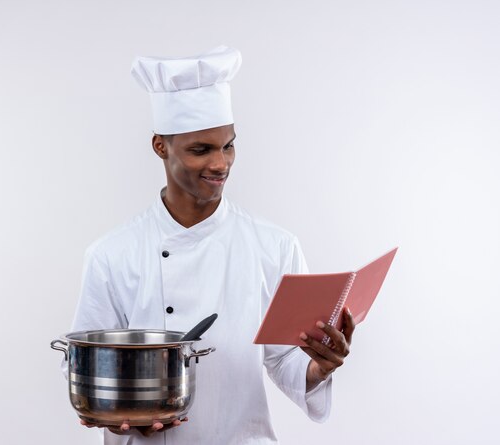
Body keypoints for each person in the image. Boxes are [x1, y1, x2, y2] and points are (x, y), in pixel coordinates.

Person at [68, 45, 355, 444]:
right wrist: (110, 413)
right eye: (201, 150)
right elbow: (89, 367)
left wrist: (321, 366)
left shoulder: (275, 246)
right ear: (160, 146)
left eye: (228, 145)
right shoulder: (111, 254)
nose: (220, 164)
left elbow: (287, 359)